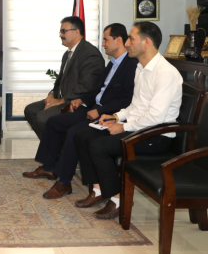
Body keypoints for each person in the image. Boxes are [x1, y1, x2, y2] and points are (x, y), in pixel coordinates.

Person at [74, 21, 182, 220]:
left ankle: (118, 199)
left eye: (131, 38)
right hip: (139, 127)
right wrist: (115, 117)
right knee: (82, 135)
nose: (127, 43)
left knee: (99, 146)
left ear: (146, 43)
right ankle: (98, 189)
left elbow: (155, 116)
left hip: (156, 135)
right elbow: (135, 106)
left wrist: (123, 127)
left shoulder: (165, 73)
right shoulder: (141, 68)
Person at [23, 23, 138, 199]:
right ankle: (49, 167)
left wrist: (100, 111)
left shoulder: (131, 65)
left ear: (118, 40)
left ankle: (64, 182)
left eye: (106, 40)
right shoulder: (113, 63)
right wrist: (82, 99)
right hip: (91, 108)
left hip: (108, 115)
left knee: (74, 132)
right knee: (54, 122)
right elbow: (98, 89)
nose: (103, 44)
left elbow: (126, 100)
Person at [24, 16, 105, 139]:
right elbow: (60, 81)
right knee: (30, 110)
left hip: (73, 102)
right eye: (60, 31)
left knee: (41, 118)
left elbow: (85, 86)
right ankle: (52, 145)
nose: (60, 35)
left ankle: (52, 146)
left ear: (76, 32)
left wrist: (60, 101)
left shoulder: (90, 53)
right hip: (61, 97)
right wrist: (51, 95)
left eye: (63, 31)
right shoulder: (67, 54)